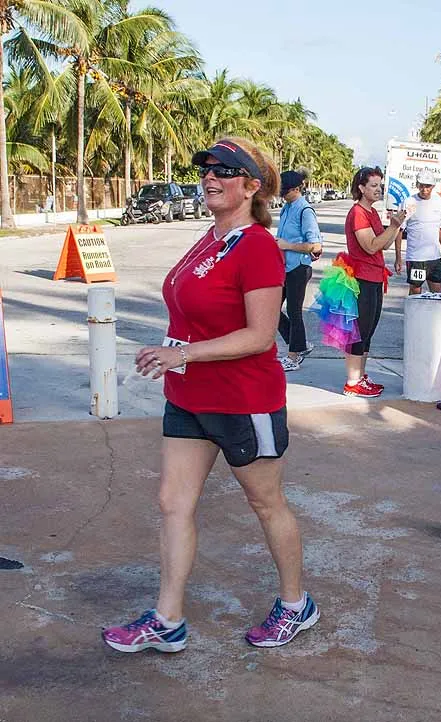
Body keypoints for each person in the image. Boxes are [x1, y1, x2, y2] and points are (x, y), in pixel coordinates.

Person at [102, 138, 319, 654]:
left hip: (244, 399)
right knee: (172, 503)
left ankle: (296, 604)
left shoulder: (258, 246)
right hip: (189, 396)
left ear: (252, 186)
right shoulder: (209, 237)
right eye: (207, 169)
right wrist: (172, 356)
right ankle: (167, 619)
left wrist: (182, 354)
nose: (211, 177)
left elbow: (260, 336)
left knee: (266, 503)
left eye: (225, 170)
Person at [342, 166, 405, 397]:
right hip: (361, 278)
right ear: (361, 188)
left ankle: (360, 376)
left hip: (375, 277)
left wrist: (396, 226)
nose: (379, 189)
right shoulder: (358, 213)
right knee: (359, 330)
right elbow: (370, 246)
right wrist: (394, 226)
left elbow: (384, 243)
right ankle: (352, 381)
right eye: (374, 185)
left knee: (368, 330)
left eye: (380, 185)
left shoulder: (373, 213)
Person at [275, 170, 323, 372]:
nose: (282, 195)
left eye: (284, 191)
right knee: (271, 308)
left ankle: (293, 356)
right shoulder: (286, 209)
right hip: (284, 267)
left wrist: (287, 245)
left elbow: (315, 245)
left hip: (299, 267)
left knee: (294, 311)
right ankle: (300, 344)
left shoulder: (305, 211)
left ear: (296, 189)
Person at [402, 169, 441, 295]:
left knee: (438, 294)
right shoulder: (409, 202)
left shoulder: (439, 202)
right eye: (421, 186)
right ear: (417, 185)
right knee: (415, 293)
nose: (424, 189)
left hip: (434, 258)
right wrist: (397, 258)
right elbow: (399, 230)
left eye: (428, 186)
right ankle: (414, 309)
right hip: (416, 258)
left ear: (433, 186)